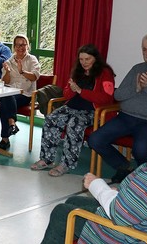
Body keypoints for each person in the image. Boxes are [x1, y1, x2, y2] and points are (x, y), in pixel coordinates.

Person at [41, 90, 147, 244]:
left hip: (131, 235)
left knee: (62, 213)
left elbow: (119, 214)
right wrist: (124, 192)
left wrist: (97, 185)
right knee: (74, 200)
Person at [88, 33, 147, 183]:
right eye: (144, 49)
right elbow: (118, 94)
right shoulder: (137, 68)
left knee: (140, 149)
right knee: (95, 139)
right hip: (125, 117)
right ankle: (124, 167)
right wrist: (137, 87)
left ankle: (145, 179)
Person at [30, 44, 115, 177]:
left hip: (93, 111)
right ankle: (47, 159)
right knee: (51, 119)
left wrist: (82, 91)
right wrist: (72, 89)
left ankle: (66, 164)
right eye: (81, 59)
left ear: (95, 59)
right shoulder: (78, 71)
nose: (84, 63)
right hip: (72, 107)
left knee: (74, 124)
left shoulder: (105, 73)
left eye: (87, 59)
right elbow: (66, 93)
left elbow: (106, 97)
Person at [0, 34, 41, 151]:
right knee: (6, 96)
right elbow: (5, 82)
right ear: (14, 47)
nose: (21, 47)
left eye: (23, 44)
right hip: (11, 93)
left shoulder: (32, 59)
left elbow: (34, 77)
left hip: (25, 94)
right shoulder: (9, 61)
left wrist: (22, 71)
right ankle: (12, 125)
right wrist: (7, 72)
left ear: (27, 46)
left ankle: (5, 137)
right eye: (18, 45)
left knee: (3, 104)